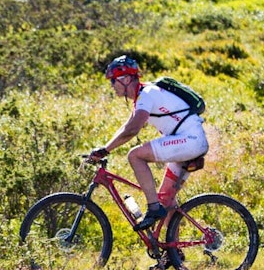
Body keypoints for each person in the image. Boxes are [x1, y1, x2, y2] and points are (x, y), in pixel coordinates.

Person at [87, 55, 209, 230]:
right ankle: (172, 246)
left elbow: (132, 130)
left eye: (113, 81)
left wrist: (105, 151)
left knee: (135, 155)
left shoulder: (147, 94)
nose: (112, 85)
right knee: (166, 200)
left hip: (190, 141)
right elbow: (126, 126)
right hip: (189, 142)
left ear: (126, 79)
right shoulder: (143, 96)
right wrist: (104, 148)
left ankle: (153, 208)